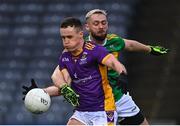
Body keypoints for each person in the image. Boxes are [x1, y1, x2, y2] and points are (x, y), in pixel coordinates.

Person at [23, 17, 128, 125]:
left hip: (103, 111)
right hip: (81, 112)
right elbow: (65, 87)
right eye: (63, 38)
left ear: (81, 34)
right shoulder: (64, 58)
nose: (66, 41)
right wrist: (41, 92)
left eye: (69, 37)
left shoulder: (95, 50)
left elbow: (114, 63)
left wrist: (122, 74)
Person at [83, 9, 169, 125]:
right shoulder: (80, 47)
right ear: (87, 27)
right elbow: (64, 67)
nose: (101, 26)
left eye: (104, 23)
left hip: (118, 97)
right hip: (97, 102)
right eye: (96, 23)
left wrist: (150, 49)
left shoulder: (113, 41)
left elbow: (131, 45)